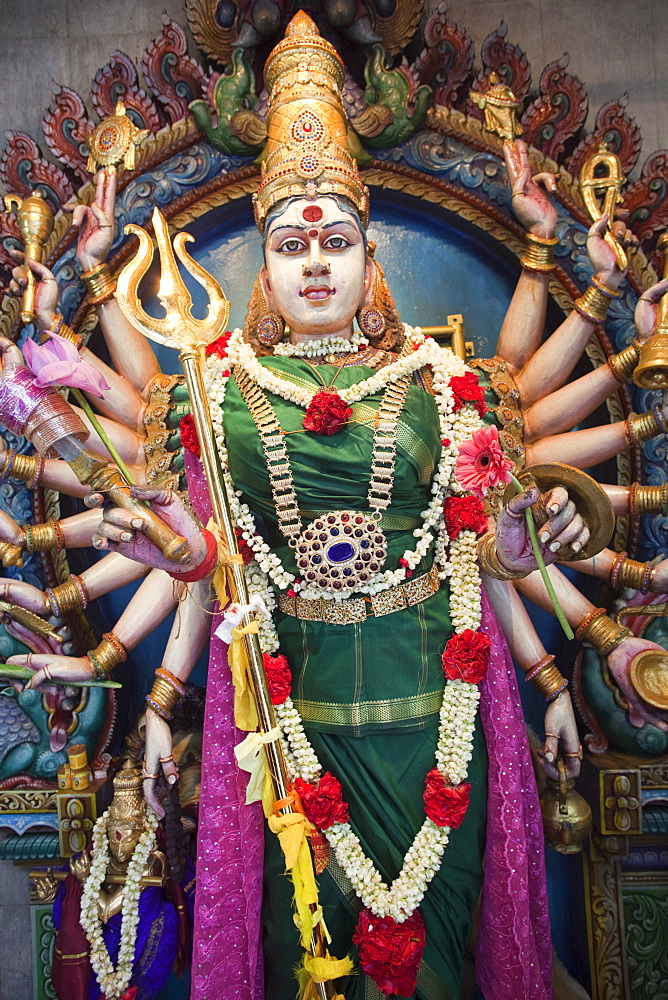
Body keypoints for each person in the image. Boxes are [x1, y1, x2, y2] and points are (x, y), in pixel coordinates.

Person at [2, 12, 668, 1000]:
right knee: (299, 958)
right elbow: (203, 562)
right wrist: (143, 563)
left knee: (439, 964)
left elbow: (498, 547)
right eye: (290, 240)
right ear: (263, 266)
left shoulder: (449, 387)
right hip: (290, 723)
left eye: (334, 239)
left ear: (368, 260)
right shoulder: (213, 393)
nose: (314, 259)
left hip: (434, 718)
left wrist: (556, 535)